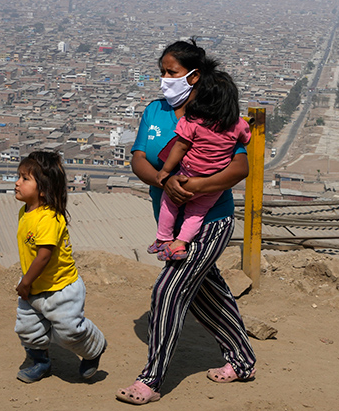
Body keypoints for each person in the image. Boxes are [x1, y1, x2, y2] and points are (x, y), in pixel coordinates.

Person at [117, 40, 256, 405]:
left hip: (210, 220)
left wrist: (192, 187)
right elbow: (138, 160)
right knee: (208, 294)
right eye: (162, 71)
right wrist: (165, 182)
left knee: (169, 290)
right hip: (169, 220)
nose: (164, 79)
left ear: (194, 77)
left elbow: (240, 167)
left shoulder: (215, 111)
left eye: (172, 72)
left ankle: (150, 380)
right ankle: (242, 361)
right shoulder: (155, 111)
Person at [13, 151, 106, 383]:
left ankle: (95, 347)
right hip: (34, 286)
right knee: (27, 330)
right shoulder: (25, 212)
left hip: (61, 288)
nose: (17, 183)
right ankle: (41, 363)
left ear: (43, 189)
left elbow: (44, 257)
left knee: (69, 332)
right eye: (19, 177)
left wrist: (25, 283)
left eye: (25, 179)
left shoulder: (49, 218)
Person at [148, 68, 251, 261]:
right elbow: (246, 139)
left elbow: (180, 147)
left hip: (187, 176)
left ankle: (163, 238)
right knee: (196, 213)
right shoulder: (237, 124)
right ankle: (179, 245)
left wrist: (166, 171)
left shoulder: (192, 122)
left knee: (169, 202)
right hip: (214, 184)